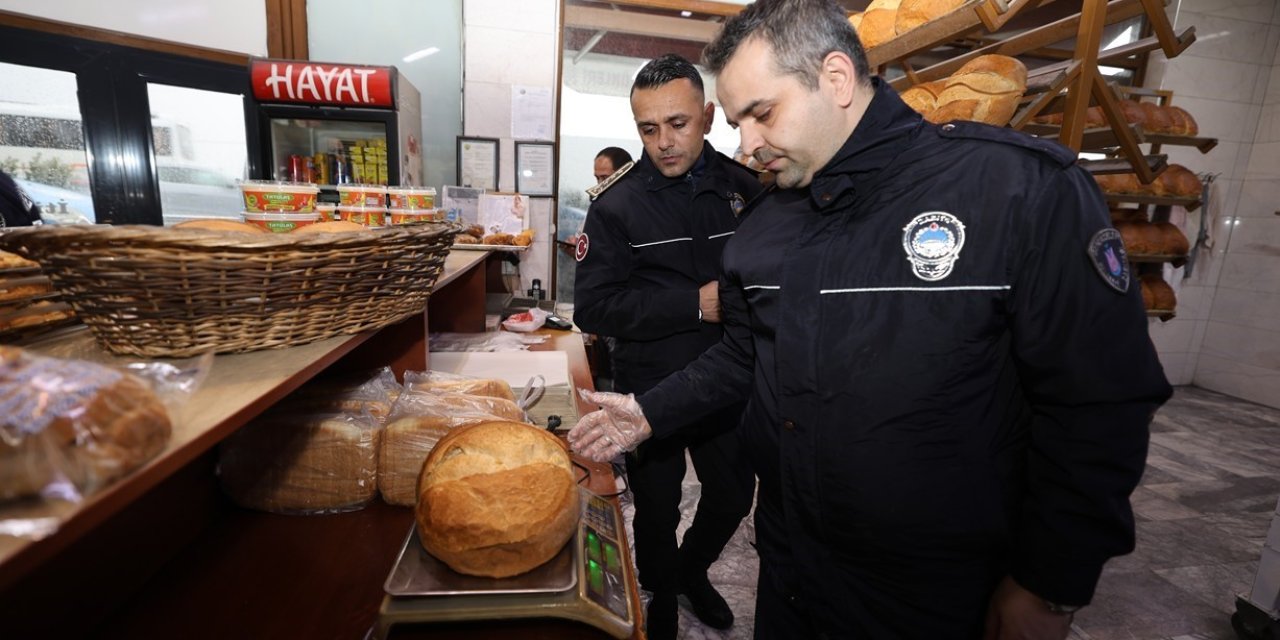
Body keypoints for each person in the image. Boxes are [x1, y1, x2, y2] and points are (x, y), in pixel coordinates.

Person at [568, 1, 1172, 639]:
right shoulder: (768, 221)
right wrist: (650, 412)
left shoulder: (1016, 191)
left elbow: (1098, 402)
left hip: (932, 587)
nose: (747, 144)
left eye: (763, 114)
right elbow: (745, 354)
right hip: (791, 569)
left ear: (835, 78)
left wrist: (1048, 586)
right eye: (741, 121)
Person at [572, 54, 762, 639]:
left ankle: (689, 573)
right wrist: (691, 304)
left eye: (677, 124)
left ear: (708, 116)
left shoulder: (745, 188)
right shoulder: (615, 204)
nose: (664, 142)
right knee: (656, 508)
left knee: (732, 495)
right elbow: (593, 308)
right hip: (649, 385)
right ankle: (658, 592)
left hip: (725, 380)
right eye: (648, 128)